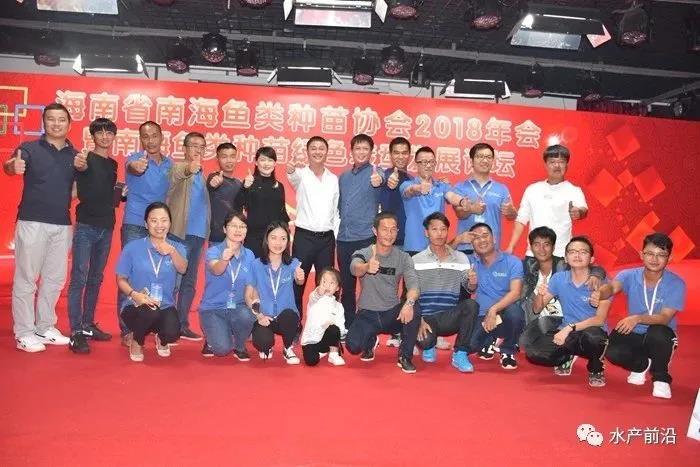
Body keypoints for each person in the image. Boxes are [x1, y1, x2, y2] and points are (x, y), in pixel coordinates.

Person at [4, 102, 86, 352]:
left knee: (54, 279)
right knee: (26, 279)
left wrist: (73, 186)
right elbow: (10, 165)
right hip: (32, 222)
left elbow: (76, 189)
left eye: (61, 119)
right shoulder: (29, 149)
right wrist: (12, 167)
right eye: (51, 119)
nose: (56, 123)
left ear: (69, 124)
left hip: (61, 224)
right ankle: (24, 332)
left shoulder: (76, 156)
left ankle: (45, 327)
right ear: (44, 122)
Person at [599, 233, 685, 399]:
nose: (654, 259)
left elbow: (665, 318)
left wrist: (637, 318)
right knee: (611, 350)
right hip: (635, 330)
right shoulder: (628, 275)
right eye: (650, 253)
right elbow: (612, 288)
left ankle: (661, 378)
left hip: (662, 334)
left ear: (669, 258)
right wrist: (601, 293)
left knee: (658, 332)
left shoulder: (676, 283)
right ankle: (641, 365)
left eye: (661, 255)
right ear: (641, 254)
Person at [67, 117, 124, 354]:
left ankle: (88, 324)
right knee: (79, 278)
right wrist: (79, 163)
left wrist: (120, 193)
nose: (104, 136)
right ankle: (76, 331)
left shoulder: (113, 164)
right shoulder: (85, 158)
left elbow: (106, 193)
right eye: (99, 132)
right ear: (93, 136)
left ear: (113, 136)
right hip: (85, 225)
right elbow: (80, 170)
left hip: (106, 226)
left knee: (96, 277)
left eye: (109, 133)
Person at [524, 237, 610, 387]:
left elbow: (599, 320)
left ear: (591, 259)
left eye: (583, 252)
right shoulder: (559, 279)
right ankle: (567, 356)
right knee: (534, 352)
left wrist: (569, 328)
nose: (577, 255)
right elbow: (537, 309)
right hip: (567, 331)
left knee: (594, 339)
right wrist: (540, 294)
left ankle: (596, 367)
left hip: (591, 331)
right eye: (572, 252)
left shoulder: (601, 283)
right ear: (566, 258)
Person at [345, 213, 421, 374]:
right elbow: (354, 268)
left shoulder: (404, 257)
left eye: (393, 230)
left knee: (415, 307)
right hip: (368, 313)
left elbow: (414, 285)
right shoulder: (364, 252)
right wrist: (366, 267)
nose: (389, 234)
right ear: (375, 231)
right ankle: (370, 340)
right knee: (353, 346)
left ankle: (405, 356)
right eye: (384, 229)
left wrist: (409, 303)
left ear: (397, 231)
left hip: (392, 313)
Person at [118, 121, 172, 344]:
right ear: (141, 139)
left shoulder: (169, 164)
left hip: (158, 227)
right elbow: (133, 167)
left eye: (154, 135)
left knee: (157, 275)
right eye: (145, 136)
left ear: (162, 137)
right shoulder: (135, 158)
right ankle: (127, 330)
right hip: (135, 223)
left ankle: (155, 324)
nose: (150, 140)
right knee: (128, 275)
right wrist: (137, 166)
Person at [115, 202, 188, 362]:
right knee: (149, 312)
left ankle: (161, 338)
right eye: (154, 220)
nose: (159, 225)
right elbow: (120, 279)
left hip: (165, 305)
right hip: (135, 305)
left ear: (170, 223)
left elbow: (183, 269)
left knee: (173, 332)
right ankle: (137, 340)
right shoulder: (132, 248)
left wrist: (172, 251)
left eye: (164, 220)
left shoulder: (177, 247)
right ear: (146, 224)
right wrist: (134, 294)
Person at [413, 212, 479, 373]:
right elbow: (409, 295)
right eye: (434, 229)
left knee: (471, 305)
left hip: (450, 316)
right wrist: (419, 319)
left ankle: (460, 353)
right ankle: (429, 345)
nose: (439, 233)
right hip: (427, 318)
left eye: (443, 229)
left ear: (448, 231)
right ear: (426, 232)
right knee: (426, 342)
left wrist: (472, 282)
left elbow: (469, 289)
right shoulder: (415, 260)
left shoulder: (461, 258)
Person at [166, 131, 211, 341]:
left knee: (189, 283)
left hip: (198, 236)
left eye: (202, 147)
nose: (198, 150)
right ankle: (166, 325)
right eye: (193, 145)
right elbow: (178, 173)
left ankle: (182, 324)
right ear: (184, 148)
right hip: (178, 234)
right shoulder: (178, 168)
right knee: (172, 282)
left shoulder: (203, 176)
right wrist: (189, 167)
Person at [505, 144, 587, 257]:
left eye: (561, 162)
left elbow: (583, 210)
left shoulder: (574, 190)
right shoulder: (533, 189)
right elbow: (521, 220)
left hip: (561, 255)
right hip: (533, 254)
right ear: (546, 165)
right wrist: (511, 246)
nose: (557, 165)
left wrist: (579, 212)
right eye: (552, 162)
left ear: (566, 165)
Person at [337, 134, 383, 327]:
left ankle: (367, 327)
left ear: (371, 152)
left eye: (365, 148)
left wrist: (379, 180)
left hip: (365, 238)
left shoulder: (376, 173)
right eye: (358, 148)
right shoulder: (344, 177)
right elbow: (340, 206)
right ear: (352, 151)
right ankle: (348, 325)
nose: (361, 152)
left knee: (368, 287)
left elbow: (383, 180)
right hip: (344, 238)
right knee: (347, 287)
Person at [199, 210, 256, 361]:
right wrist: (224, 260)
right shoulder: (213, 251)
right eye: (233, 226)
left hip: (238, 306)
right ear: (225, 229)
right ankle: (212, 338)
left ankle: (240, 346)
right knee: (222, 349)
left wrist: (256, 305)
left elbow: (252, 284)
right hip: (213, 308)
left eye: (242, 226)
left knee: (247, 315)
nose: (238, 230)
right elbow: (216, 270)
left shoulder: (249, 255)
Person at [520, 226, 605, 326]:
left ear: (553, 247)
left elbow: (593, 267)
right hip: (535, 318)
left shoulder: (564, 265)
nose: (541, 249)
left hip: (563, 319)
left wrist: (596, 275)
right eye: (536, 245)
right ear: (531, 247)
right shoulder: (526, 266)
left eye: (546, 244)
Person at [467, 223, 524, 370]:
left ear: (494, 239)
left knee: (516, 313)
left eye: (485, 235)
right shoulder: (472, 262)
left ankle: (508, 349)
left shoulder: (512, 261)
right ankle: (490, 339)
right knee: (470, 346)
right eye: (476, 238)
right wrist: (472, 284)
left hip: (503, 314)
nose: (481, 240)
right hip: (481, 315)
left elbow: (516, 293)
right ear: (472, 244)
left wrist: (493, 310)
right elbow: (443, 251)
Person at [246, 221, 305, 363]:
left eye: (283, 238)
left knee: (290, 316)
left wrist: (300, 277)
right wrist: (259, 316)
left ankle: (287, 347)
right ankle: (267, 344)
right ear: (266, 239)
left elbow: (300, 282)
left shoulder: (293, 263)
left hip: (285, 316)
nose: (278, 243)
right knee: (263, 342)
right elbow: (248, 295)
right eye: (274, 238)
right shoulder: (256, 265)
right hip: (264, 316)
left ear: (288, 241)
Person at [399, 146, 468, 256]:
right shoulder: (407, 184)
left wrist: (462, 201)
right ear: (416, 164)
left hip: (437, 246)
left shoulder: (441, 185)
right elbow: (409, 191)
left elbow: (451, 196)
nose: (428, 165)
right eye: (424, 162)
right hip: (414, 247)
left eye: (431, 162)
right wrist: (419, 188)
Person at [451, 143, 516, 254]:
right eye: (480, 156)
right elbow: (459, 214)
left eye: (488, 157)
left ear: (492, 161)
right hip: (466, 247)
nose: (485, 160)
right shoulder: (460, 187)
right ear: (471, 161)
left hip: (491, 248)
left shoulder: (501, 189)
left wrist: (512, 212)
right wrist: (472, 209)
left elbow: (511, 216)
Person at [234, 146, 289, 258]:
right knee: (252, 267)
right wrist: (245, 187)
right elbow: (237, 205)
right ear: (256, 162)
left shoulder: (279, 186)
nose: (266, 164)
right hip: (254, 238)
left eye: (270, 160)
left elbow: (282, 213)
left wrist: (285, 237)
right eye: (263, 160)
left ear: (275, 163)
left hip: (274, 239)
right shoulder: (249, 182)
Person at [300, 267, 346, 366]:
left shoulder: (338, 306)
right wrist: (318, 291)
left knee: (334, 328)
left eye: (332, 283)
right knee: (312, 361)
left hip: (327, 337)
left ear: (337, 288)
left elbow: (340, 325)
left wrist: (339, 334)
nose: (327, 286)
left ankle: (333, 354)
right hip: (311, 339)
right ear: (319, 283)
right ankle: (322, 352)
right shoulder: (314, 298)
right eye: (324, 282)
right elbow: (315, 295)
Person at [378, 136, 413, 249]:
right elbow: (381, 177)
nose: (400, 157)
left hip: (410, 240)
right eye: (396, 153)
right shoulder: (385, 175)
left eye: (404, 153)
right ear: (390, 155)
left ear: (409, 155)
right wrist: (389, 182)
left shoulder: (412, 179)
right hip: (390, 240)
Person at [207, 143, 242, 245]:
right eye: (224, 157)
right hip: (217, 238)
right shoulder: (213, 177)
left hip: (236, 237)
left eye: (232, 156)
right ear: (217, 159)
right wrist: (214, 183)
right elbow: (212, 183)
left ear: (236, 158)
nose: (229, 160)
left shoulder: (239, 183)